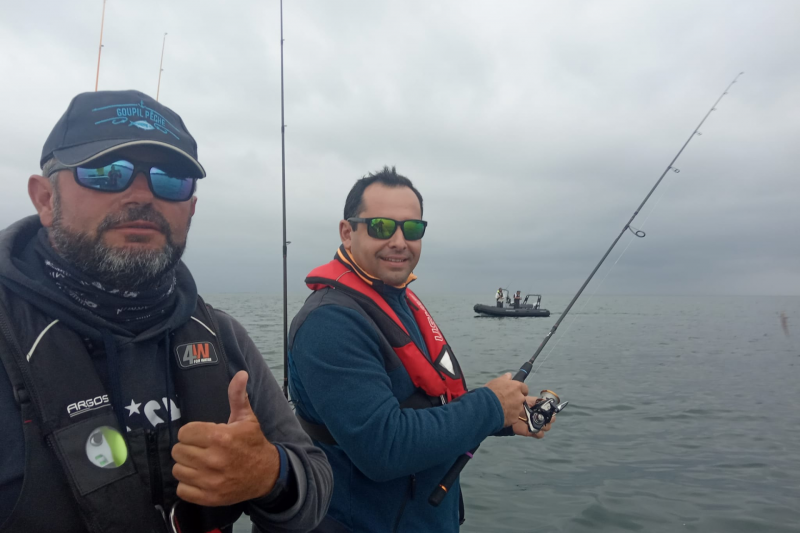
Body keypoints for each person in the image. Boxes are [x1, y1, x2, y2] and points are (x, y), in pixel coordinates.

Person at [0, 90, 332, 533]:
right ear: (45, 198)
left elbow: (314, 480)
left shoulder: (220, 335)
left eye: (170, 179)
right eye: (104, 172)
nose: (141, 195)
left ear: (191, 208)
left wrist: (271, 475)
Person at [287, 167, 554, 533]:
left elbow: (426, 406)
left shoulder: (398, 302)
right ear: (347, 233)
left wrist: (504, 417)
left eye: (412, 229)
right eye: (381, 226)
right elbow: (383, 447)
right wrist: (489, 406)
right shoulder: (329, 323)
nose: (399, 241)